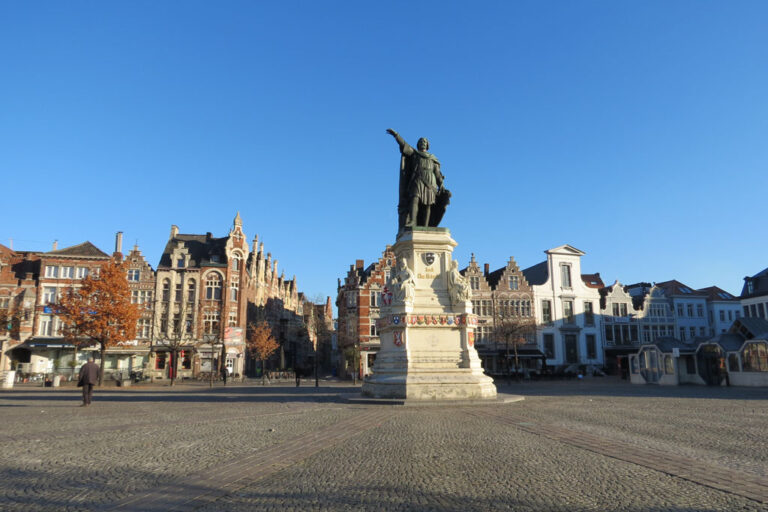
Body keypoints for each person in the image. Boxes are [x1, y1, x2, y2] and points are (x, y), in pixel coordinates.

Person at [386, 129, 450, 229]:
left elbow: (437, 173)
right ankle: (412, 221)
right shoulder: (414, 153)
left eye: (425, 142)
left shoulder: (432, 158)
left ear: (428, 145)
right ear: (418, 144)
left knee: (428, 204)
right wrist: (396, 135)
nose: (423, 143)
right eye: (421, 141)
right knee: (414, 198)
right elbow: (404, 145)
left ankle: (425, 225)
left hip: (430, 181)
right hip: (417, 179)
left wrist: (441, 183)